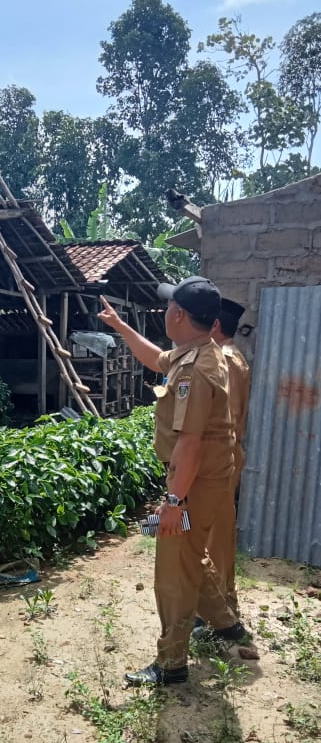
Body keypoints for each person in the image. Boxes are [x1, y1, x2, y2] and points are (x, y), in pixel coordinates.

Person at [98, 278, 253, 686]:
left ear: (179, 315)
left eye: (168, 307)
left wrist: (173, 502)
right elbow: (156, 359)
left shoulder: (196, 371)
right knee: (189, 555)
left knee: (173, 571)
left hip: (194, 484)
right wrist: (120, 326)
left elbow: (190, 443)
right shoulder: (199, 353)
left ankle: (171, 664)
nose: (165, 312)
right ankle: (226, 623)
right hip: (204, 481)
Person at [203, 297, 251, 616]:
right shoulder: (234, 357)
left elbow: (225, 418)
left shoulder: (227, 360)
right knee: (214, 530)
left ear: (215, 326)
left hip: (220, 457)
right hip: (223, 455)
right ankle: (216, 602)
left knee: (217, 533)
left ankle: (217, 605)